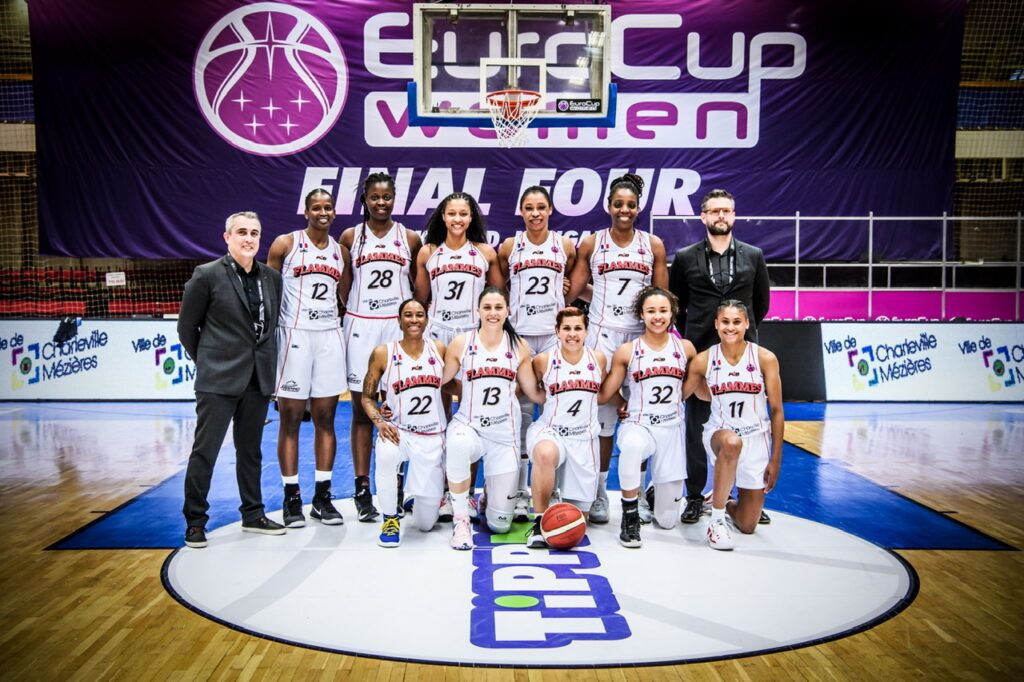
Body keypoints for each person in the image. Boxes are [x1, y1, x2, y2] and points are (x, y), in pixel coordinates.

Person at [179, 211, 286, 548]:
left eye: (254, 233)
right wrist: (209, 362)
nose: (248, 238)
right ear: (227, 237)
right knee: (205, 452)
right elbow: (187, 327)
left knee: (251, 451)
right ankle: (195, 522)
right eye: (242, 232)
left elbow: (270, 328)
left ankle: (253, 514)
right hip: (218, 379)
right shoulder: (206, 275)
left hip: (258, 378)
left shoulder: (272, 277)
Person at [567, 173, 669, 525]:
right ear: (608, 206)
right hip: (602, 336)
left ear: (638, 208)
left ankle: (635, 496)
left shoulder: (653, 245)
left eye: (630, 205)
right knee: (602, 420)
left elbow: (662, 297)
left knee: (638, 416)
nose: (624, 210)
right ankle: (597, 492)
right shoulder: (592, 243)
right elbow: (576, 288)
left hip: (640, 336)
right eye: (618, 204)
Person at [668, 189, 771, 525]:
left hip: (742, 353)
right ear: (703, 217)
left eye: (726, 210)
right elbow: (677, 305)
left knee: (748, 426)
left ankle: (746, 495)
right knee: (697, 424)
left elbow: (761, 304)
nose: (721, 216)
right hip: (701, 351)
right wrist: (698, 335)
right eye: (714, 211)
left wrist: (738, 335)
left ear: (734, 215)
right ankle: (695, 497)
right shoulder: (685, 257)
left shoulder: (753, 255)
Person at [340, 172, 422, 522]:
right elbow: (344, 286)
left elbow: (418, 287)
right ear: (365, 200)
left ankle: (397, 485)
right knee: (362, 410)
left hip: (395, 327)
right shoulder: (350, 237)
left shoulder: (410, 237)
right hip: (361, 325)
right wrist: (359, 313)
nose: (381, 202)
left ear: (394, 199)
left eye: (386, 196)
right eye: (374, 197)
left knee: (398, 409)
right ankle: (362, 489)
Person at [267, 188, 351, 528]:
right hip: (294, 334)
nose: (323, 212)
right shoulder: (285, 244)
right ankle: (291, 498)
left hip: (329, 335)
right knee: (289, 419)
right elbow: (269, 292)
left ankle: (322, 498)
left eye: (328, 207)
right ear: (306, 212)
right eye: (316, 207)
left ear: (334, 212)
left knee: (326, 419)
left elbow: (345, 296)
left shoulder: (340, 252)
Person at [441, 287, 546, 550]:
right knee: (457, 444)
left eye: (498, 307)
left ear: (508, 311)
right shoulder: (462, 343)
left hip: (503, 434)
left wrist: (566, 394)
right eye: (487, 307)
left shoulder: (519, 346)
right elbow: (440, 381)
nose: (493, 313)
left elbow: (532, 391)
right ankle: (461, 521)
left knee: (500, 524)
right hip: (470, 425)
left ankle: (489, 495)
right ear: (477, 311)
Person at [497, 185, 577, 522]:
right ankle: (518, 491)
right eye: (529, 208)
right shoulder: (509, 246)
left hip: (555, 337)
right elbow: (501, 288)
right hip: (521, 336)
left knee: (558, 411)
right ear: (521, 211)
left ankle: (553, 488)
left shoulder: (565, 246)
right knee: (521, 412)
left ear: (550, 210)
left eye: (541, 207)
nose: (535, 213)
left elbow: (573, 282)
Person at [598, 287, 697, 548]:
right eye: (651, 311)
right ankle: (629, 515)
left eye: (663, 310)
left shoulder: (685, 349)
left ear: (672, 313)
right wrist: (622, 402)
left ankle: (654, 492)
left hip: (671, 428)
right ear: (641, 314)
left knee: (667, 521)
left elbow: (693, 385)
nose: (657, 316)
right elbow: (605, 393)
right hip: (639, 424)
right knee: (632, 447)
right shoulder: (628, 351)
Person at [682, 300, 783, 550]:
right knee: (732, 443)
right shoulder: (704, 360)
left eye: (737, 322)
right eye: (725, 322)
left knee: (748, 524)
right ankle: (716, 522)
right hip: (720, 433)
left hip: (757, 438)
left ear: (747, 323)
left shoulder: (765, 358)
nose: (730, 327)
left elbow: (777, 411)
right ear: (716, 324)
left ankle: (722, 501)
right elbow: (682, 395)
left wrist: (775, 459)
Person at [361, 299, 448, 547]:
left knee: (426, 524)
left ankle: (414, 498)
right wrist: (379, 421)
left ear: (426, 320)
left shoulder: (439, 349)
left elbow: (452, 386)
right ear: (399, 320)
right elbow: (367, 397)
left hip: (431, 436)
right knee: (386, 453)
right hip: (399, 432)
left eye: (419, 314)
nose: (414, 320)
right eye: (408, 315)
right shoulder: (383, 353)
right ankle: (390, 517)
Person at [524, 306, 605, 549]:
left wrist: (622, 404)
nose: (572, 334)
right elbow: (535, 392)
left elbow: (601, 394)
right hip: (551, 430)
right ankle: (539, 521)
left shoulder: (598, 359)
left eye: (578, 328)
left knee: (577, 520)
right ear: (557, 331)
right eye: (566, 328)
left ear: (586, 331)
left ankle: (557, 496)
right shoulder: (543, 360)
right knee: (545, 453)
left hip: (584, 438)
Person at [414, 192, 503, 346]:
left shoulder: (485, 252)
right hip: (437, 328)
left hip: (473, 328)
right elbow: (420, 300)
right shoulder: (428, 252)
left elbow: (500, 295)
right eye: (451, 214)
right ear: (443, 216)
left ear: (471, 217)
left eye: (463, 214)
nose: (457, 219)